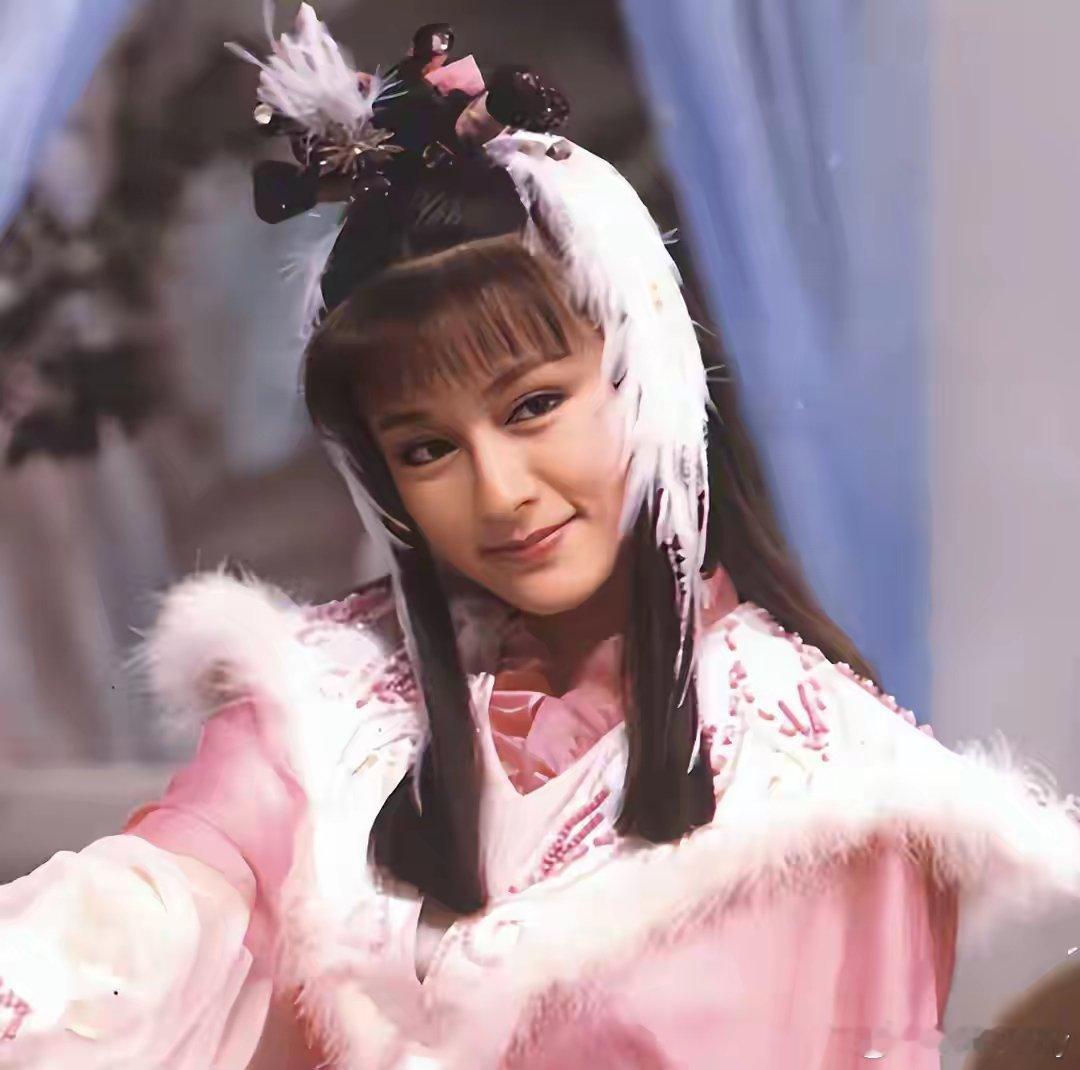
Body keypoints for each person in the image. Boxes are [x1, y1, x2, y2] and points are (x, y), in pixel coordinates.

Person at [2, 8, 1079, 1068]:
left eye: (532, 407)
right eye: (427, 448)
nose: (501, 493)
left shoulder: (826, 791)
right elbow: (141, 914)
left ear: (644, 375)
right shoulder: (322, 700)